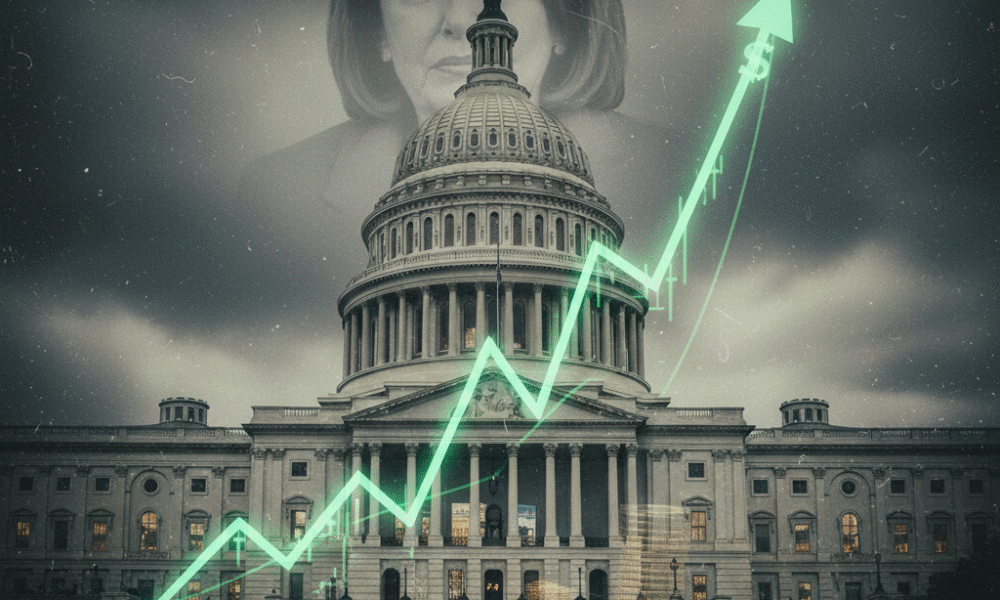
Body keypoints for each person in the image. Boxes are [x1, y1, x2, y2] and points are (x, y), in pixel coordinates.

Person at [236, 0, 690, 315]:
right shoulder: (271, 186)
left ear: (566, 22)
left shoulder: (681, 169)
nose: (461, 19)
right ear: (377, 31)